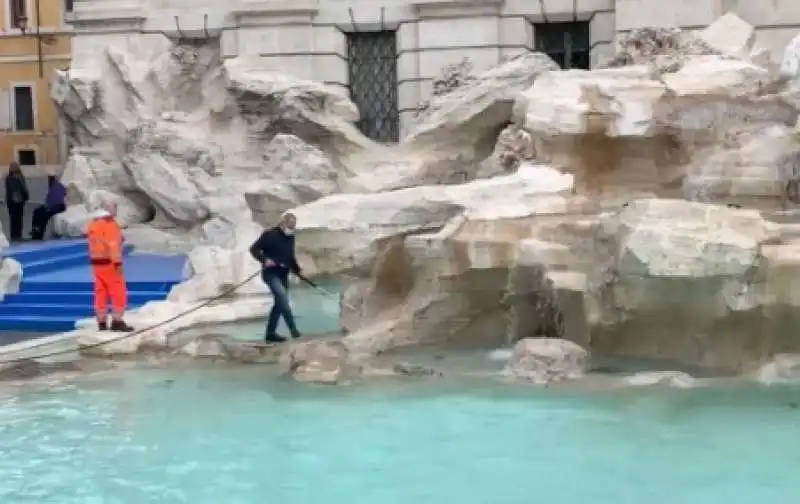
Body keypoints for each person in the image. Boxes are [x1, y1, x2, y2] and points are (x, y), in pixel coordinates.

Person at [249, 212, 303, 343]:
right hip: (270, 274)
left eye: (293, 227)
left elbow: (290, 256)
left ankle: (270, 333)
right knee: (283, 297)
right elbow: (254, 249)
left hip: (283, 274)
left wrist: (297, 270)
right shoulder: (269, 235)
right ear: (283, 224)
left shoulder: (291, 237)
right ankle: (294, 331)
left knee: (279, 304)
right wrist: (264, 259)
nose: (292, 230)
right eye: (290, 227)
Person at [86, 200, 133, 332]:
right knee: (118, 291)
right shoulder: (110, 224)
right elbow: (112, 245)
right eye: (115, 206)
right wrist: (117, 263)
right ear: (108, 209)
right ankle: (117, 320)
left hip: (96, 264)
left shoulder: (93, 224)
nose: (116, 209)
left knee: (101, 293)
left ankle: (101, 321)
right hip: (109, 264)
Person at [30, 175, 67, 240]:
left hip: (58, 207)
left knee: (44, 216)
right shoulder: (52, 187)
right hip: (51, 206)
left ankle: (40, 233)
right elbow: (49, 199)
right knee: (37, 211)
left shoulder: (58, 187)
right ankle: (35, 228)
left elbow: (58, 200)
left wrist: (49, 208)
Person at [4, 162, 29, 241]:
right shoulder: (19, 177)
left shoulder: (8, 178)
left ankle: (13, 236)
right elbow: (24, 189)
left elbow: (8, 191)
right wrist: (26, 197)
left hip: (10, 201)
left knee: (13, 219)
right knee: (19, 219)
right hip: (19, 201)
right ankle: (18, 236)